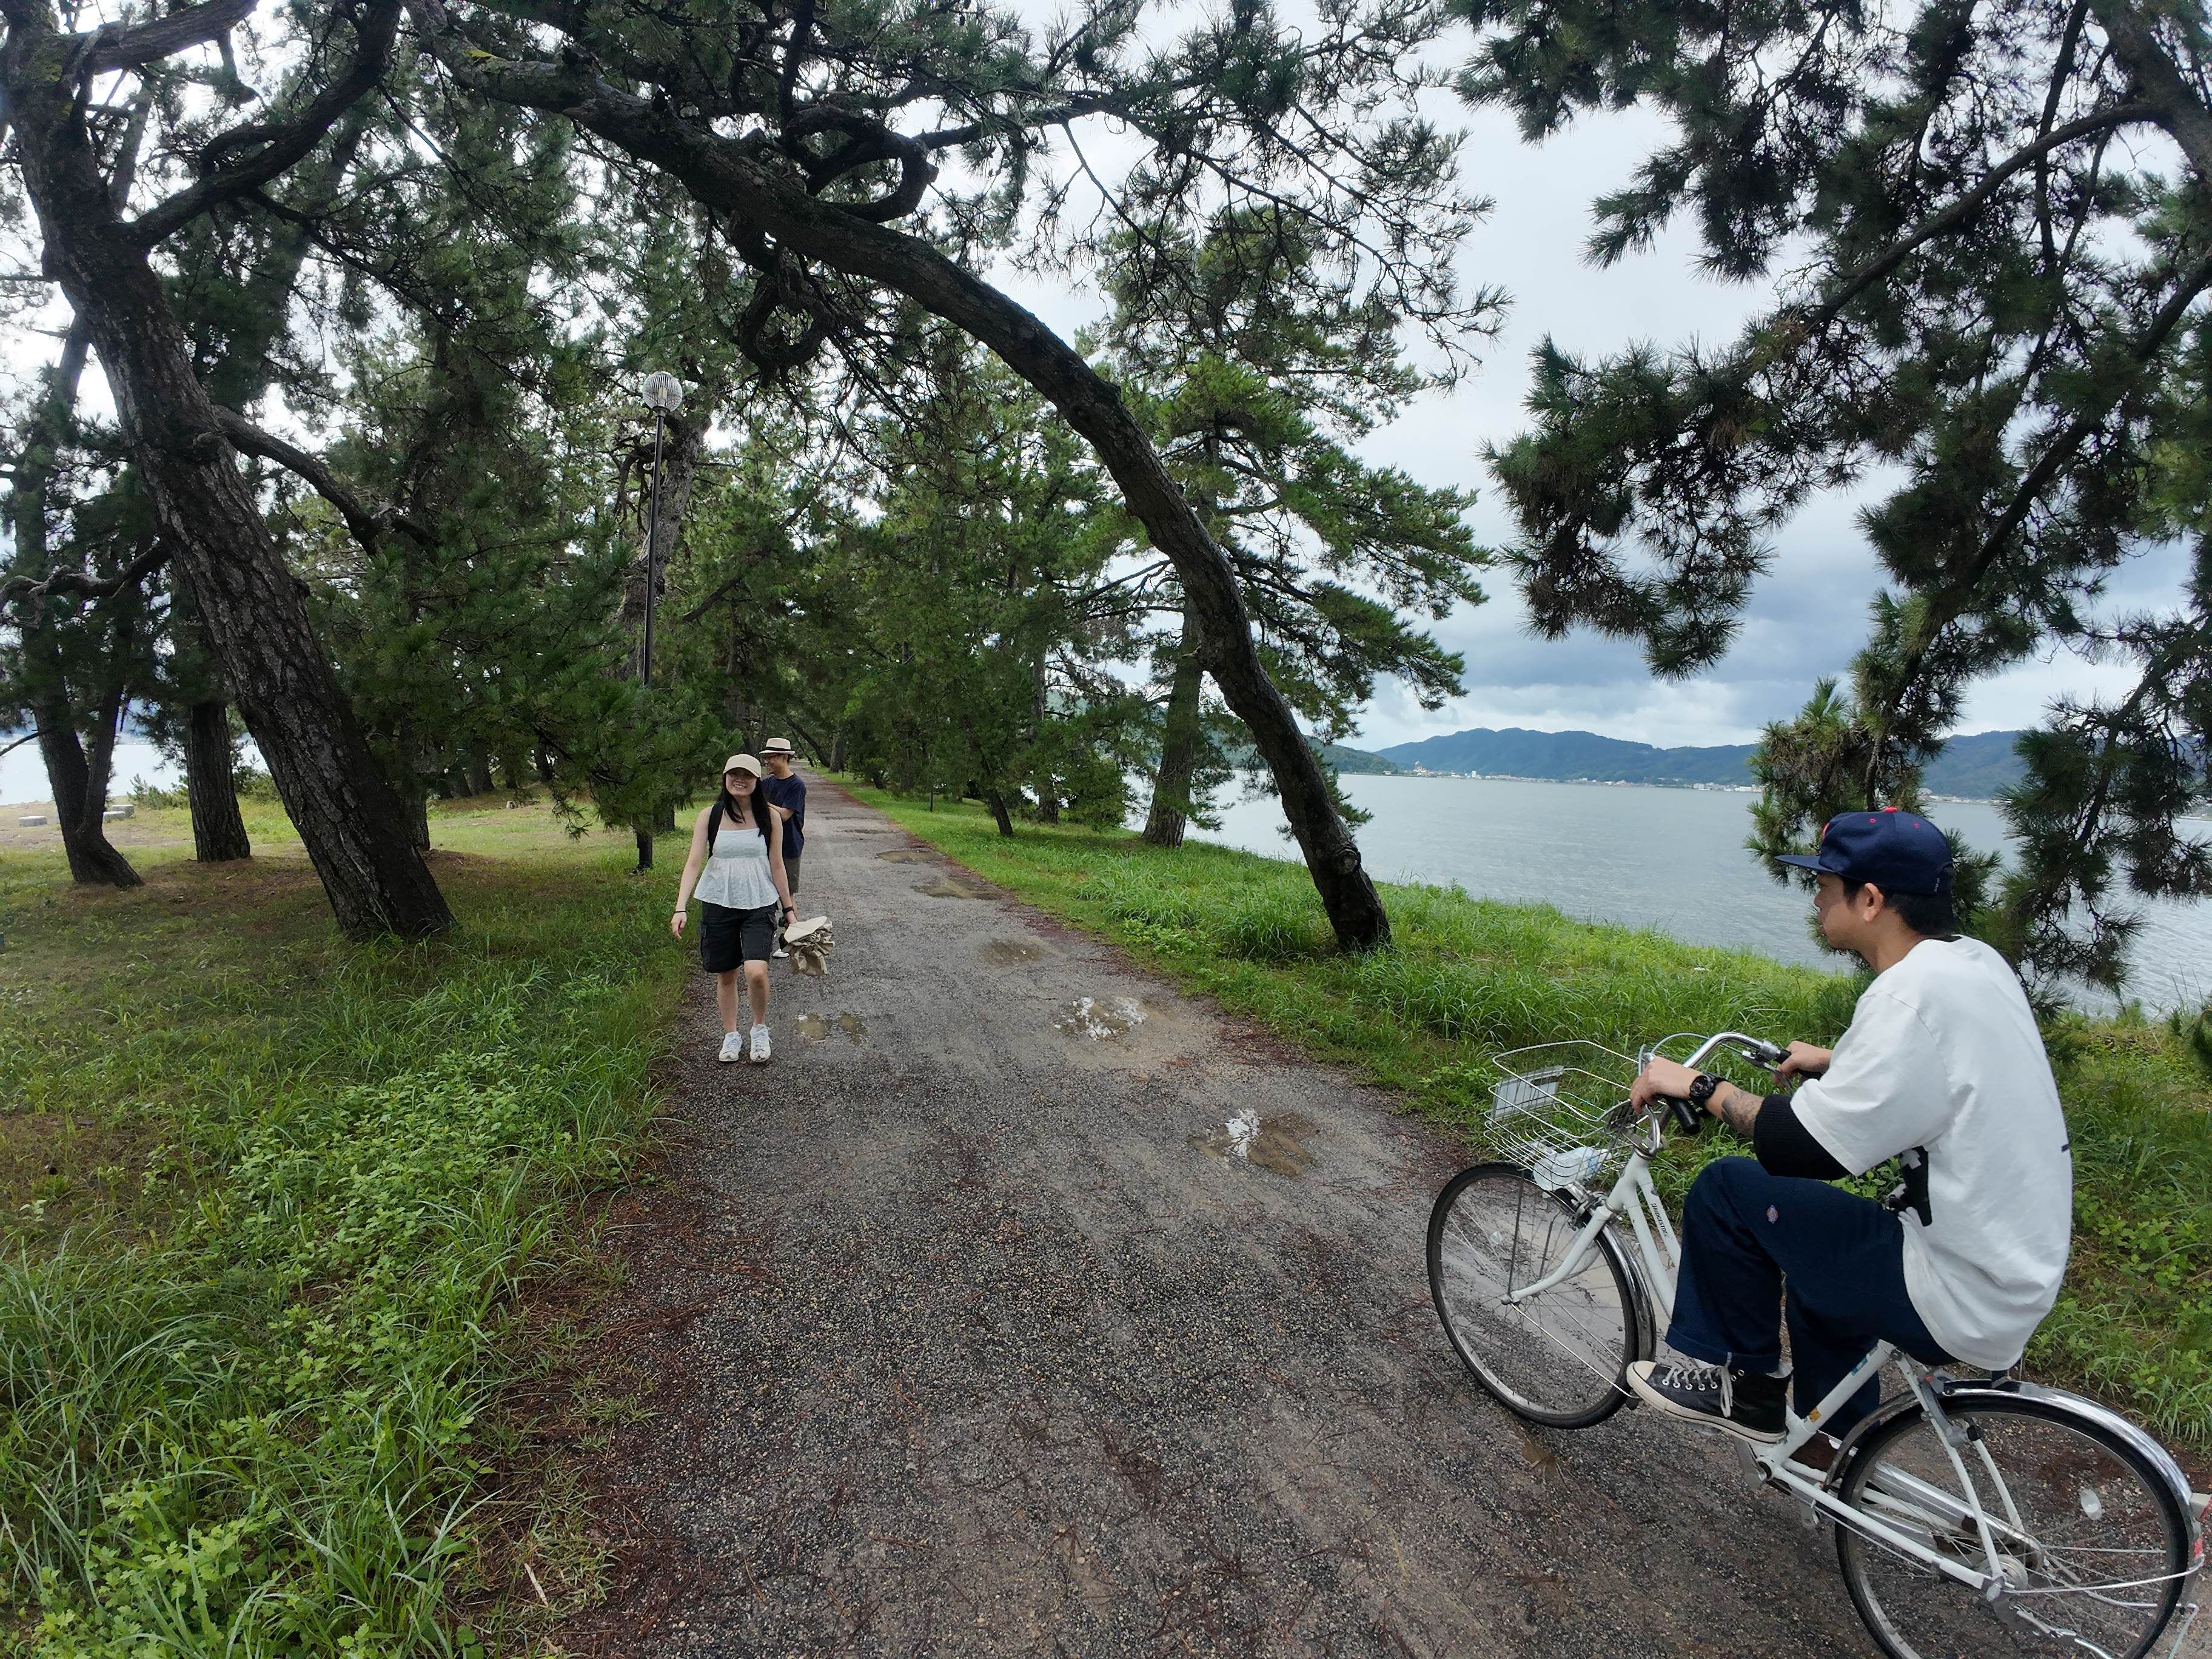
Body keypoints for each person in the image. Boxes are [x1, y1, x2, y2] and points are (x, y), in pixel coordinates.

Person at [1622, 808, 2073, 1455]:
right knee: (1819, 1276)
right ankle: (1836, 1448)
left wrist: (1697, 1086)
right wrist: (1842, 1061)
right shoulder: (1973, 964)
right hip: (2011, 1266)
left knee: (1727, 1189)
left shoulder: (1906, 995)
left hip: (1959, 1287)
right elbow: (1954, 1067)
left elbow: (1799, 1148)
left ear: (1870, 900)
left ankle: (1742, 1392)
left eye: (1826, 885)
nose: (1816, 898)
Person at [671, 754, 799, 1064]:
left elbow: (777, 865)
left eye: (747, 775)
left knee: (756, 972)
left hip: (759, 902)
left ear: (757, 781)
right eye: (734, 774)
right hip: (718, 902)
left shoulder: (770, 817)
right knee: (726, 974)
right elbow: (694, 862)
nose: (740, 780)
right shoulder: (710, 816)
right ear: (725, 778)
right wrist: (680, 907)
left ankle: (759, 1029)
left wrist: (789, 911)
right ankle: (731, 1034)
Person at [759, 738, 806, 958]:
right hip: (765, 846)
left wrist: (762, 804)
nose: (767, 761)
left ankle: (789, 942)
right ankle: (763, 938)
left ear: (784, 757)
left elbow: (785, 815)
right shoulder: (766, 783)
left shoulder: (796, 785)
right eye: (766, 758)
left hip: (789, 847)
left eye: (772, 757)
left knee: (787, 895)